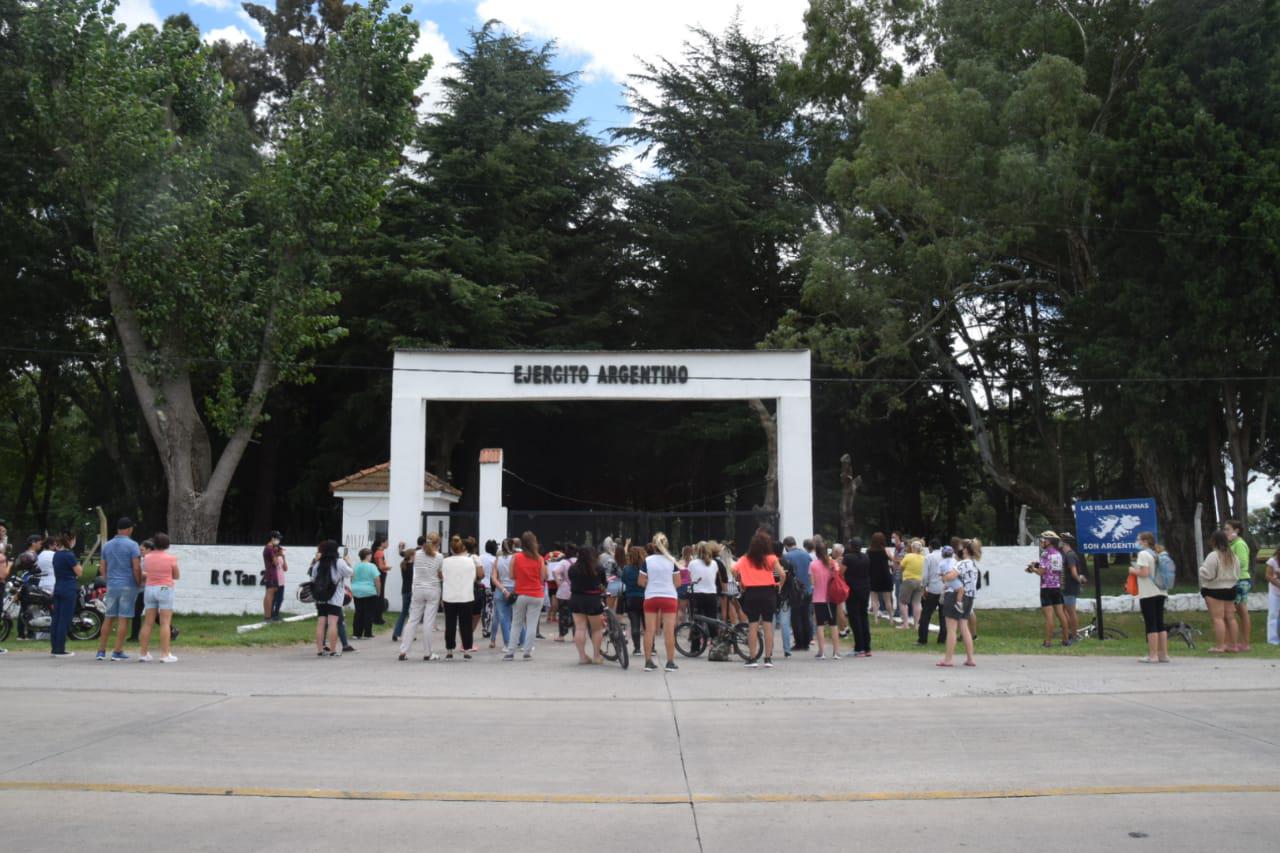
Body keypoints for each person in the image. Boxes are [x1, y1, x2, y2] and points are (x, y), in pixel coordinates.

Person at [96, 518, 142, 661]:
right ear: (129, 529)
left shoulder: (107, 545)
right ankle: (117, 651)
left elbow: (102, 567)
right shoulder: (133, 545)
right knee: (123, 618)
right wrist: (138, 582)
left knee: (108, 617)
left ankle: (101, 651)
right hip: (128, 584)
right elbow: (136, 567)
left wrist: (108, 580)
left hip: (112, 585)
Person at [734, 530, 782, 668]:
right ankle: (768, 659)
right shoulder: (772, 558)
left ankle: (753, 658)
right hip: (768, 593)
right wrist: (778, 586)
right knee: (768, 626)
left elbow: (733, 569)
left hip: (751, 594)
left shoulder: (744, 559)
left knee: (752, 626)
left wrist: (742, 582)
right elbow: (782, 574)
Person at [640, 533, 681, 672]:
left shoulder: (647, 560)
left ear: (653, 545)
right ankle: (670, 662)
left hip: (651, 597)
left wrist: (652, 586)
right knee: (669, 631)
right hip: (669, 597)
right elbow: (678, 582)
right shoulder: (672, 561)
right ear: (667, 545)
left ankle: (648, 662)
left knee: (649, 631)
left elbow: (640, 581)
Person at [137, 532, 181, 663]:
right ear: (167, 545)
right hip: (165, 589)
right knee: (165, 622)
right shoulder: (171, 558)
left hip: (150, 589)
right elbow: (176, 575)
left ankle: (143, 653)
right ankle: (165, 654)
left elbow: (145, 571)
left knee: (148, 622)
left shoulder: (147, 558)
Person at [398, 533, 442, 660]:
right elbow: (440, 574)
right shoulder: (439, 557)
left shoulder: (416, 554)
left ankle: (403, 651)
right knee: (428, 622)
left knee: (412, 620)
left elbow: (406, 557)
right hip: (433, 589)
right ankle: (428, 653)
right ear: (437, 544)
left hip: (418, 589)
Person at [505, 531, 547, 661]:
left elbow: (511, 576)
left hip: (521, 594)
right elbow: (543, 578)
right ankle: (527, 652)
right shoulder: (540, 559)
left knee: (516, 623)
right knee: (532, 624)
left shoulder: (516, 557)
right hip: (537, 595)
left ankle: (510, 652)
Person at [1199, 529, 1241, 653]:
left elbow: (1208, 573)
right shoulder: (1233, 556)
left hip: (1214, 589)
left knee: (1218, 618)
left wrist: (1201, 570)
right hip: (1230, 588)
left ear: (1213, 541)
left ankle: (1220, 646)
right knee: (1231, 618)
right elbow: (1238, 573)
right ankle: (1233, 645)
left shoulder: (1214, 555)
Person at [1130, 532, 1169, 663]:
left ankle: (1153, 655)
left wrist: (1133, 570)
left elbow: (1144, 572)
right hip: (1161, 591)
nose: (1137, 542)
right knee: (1160, 623)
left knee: (1150, 623)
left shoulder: (1143, 554)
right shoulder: (1157, 553)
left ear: (1145, 541)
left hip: (1148, 592)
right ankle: (1163, 654)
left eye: (1139, 539)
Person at [938, 539, 978, 668]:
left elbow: (950, 577)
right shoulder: (973, 564)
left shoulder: (962, 564)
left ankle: (948, 659)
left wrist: (943, 577)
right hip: (970, 597)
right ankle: (970, 658)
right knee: (964, 627)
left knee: (951, 629)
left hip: (956, 595)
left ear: (965, 550)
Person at [308, 539, 351, 658]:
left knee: (321, 623)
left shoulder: (318, 563)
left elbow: (313, 577)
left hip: (320, 597)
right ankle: (332, 650)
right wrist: (348, 563)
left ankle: (320, 650)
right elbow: (350, 573)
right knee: (333, 623)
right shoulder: (339, 562)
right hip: (335, 597)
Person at [441, 535, 481, 659]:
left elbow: (442, 576)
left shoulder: (445, 561)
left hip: (449, 596)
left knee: (450, 624)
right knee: (466, 624)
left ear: (452, 549)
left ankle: (449, 650)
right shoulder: (470, 561)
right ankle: (467, 650)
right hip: (466, 596)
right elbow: (475, 577)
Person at [1028, 531, 1070, 647]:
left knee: (1049, 616)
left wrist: (1032, 569)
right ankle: (1065, 640)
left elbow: (1042, 572)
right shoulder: (1058, 554)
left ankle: (1048, 642)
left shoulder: (1045, 554)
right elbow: (1053, 569)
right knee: (1061, 614)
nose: (1041, 542)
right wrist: (1038, 565)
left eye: (1043, 540)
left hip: (1046, 587)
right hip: (1056, 587)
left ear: (1049, 541)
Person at [569, 545, 606, 664]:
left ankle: (582, 656)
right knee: (596, 629)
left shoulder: (573, 568)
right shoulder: (598, 568)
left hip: (576, 598)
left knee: (580, 629)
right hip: (593, 599)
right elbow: (603, 583)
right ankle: (596, 656)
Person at [49, 532, 83, 658]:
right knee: (65, 619)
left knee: (56, 619)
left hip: (58, 587)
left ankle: (54, 647)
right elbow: (79, 572)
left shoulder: (56, 555)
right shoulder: (69, 555)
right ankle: (60, 649)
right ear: (70, 541)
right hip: (68, 588)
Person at [1223, 520, 1252, 652]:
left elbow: (1242, 562)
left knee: (1240, 611)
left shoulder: (1239, 544)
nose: (1225, 532)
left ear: (1236, 530)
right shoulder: (1231, 544)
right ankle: (1239, 641)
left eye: (1228, 529)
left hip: (1240, 580)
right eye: (1225, 529)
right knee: (1239, 610)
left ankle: (1244, 642)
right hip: (1234, 579)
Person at [809, 535, 840, 660]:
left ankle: (821, 652)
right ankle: (836, 652)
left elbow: (813, 583)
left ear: (816, 552)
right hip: (831, 597)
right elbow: (837, 577)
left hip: (818, 598)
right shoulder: (833, 563)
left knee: (820, 625)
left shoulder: (813, 565)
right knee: (833, 625)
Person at [782, 536, 812, 651]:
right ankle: (807, 642)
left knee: (796, 617)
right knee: (806, 616)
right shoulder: (806, 555)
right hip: (808, 590)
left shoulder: (787, 556)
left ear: (786, 546)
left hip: (795, 591)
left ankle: (799, 642)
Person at [842, 538, 871, 657]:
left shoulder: (848, 558)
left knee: (855, 618)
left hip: (852, 589)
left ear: (851, 546)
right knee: (864, 616)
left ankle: (859, 647)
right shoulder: (866, 557)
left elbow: (841, 573)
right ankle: (867, 647)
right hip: (865, 588)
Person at [12, 535, 43, 639]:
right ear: (33, 543)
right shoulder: (30, 556)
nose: (40, 544)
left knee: (26, 608)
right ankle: (25, 634)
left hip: (28, 583)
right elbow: (26, 571)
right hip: (29, 583)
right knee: (27, 608)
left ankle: (25, 633)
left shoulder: (27, 554)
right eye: (39, 542)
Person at [490, 538, 517, 652]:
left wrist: (503, 589)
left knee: (504, 619)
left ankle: (507, 644)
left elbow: (494, 578)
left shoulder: (498, 560)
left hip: (500, 591)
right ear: (513, 546)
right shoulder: (516, 559)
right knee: (517, 618)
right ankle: (521, 642)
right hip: (515, 590)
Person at [919, 540, 947, 646]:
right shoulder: (946, 556)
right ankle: (942, 639)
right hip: (944, 589)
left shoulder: (928, 557)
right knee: (943, 616)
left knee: (925, 615)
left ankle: (922, 639)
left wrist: (924, 587)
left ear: (930, 547)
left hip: (932, 589)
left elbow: (925, 576)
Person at [687, 541, 720, 628]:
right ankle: (713, 639)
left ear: (697, 551)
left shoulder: (692, 563)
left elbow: (688, 578)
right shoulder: (714, 563)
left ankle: (697, 640)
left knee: (696, 620)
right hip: (711, 594)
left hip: (696, 594)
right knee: (712, 619)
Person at [350, 548, 381, 639]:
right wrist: (378, 591)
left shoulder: (355, 566)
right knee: (368, 612)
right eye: (370, 555)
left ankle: (356, 633)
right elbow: (377, 580)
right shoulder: (372, 566)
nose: (371, 556)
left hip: (356, 591)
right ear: (367, 556)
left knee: (358, 612)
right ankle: (367, 633)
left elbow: (352, 579)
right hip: (369, 591)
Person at [621, 545, 646, 655]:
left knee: (634, 624)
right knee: (647, 625)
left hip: (631, 598)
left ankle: (637, 649)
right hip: (645, 597)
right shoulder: (645, 568)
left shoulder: (626, 568)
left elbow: (623, 580)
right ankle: (652, 648)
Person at [392, 539, 418, 642]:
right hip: (413, 590)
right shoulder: (414, 566)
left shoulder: (403, 564)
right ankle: (410, 634)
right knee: (413, 614)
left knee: (404, 612)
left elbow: (403, 555)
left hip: (405, 590)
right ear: (412, 556)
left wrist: (400, 549)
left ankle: (396, 633)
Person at [1060, 535, 1084, 641]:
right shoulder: (1067, 555)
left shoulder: (1070, 555)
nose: (1059, 543)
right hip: (1066, 587)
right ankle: (1070, 632)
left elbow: (1074, 573)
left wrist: (1080, 582)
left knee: (1071, 612)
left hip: (1070, 587)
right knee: (1064, 610)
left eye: (1061, 541)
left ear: (1066, 543)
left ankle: (1074, 635)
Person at [898, 539, 925, 630]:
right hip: (920, 582)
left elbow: (901, 567)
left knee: (903, 602)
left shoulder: (908, 556)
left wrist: (901, 574)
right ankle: (916, 624)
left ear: (912, 548)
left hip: (908, 580)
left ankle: (905, 624)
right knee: (917, 603)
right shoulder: (923, 558)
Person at [867, 533, 894, 623]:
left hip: (873, 577)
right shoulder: (886, 550)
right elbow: (892, 560)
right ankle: (891, 619)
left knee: (874, 599)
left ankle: (875, 619)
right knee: (887, 600)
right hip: (885, 576)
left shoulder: (869, 551)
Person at [551, 545, 575, 642]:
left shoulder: (564, 562)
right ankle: (575, 636)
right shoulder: (579, 562)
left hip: (564, 590)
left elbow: (555, 571)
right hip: (577, 591)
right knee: (576, 614)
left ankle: (561, 635)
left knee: (563, 614)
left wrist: (559, 581)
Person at [261, 531, 286, 622]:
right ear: (272, 538)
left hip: (271, 574)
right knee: (269, 595)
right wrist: (278, 554)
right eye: (278, 538)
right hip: (271, 574)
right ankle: (267, 617)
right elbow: (275, 562)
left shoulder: (270, 548)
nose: (279, 540)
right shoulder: (269, 548)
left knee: (270, 595)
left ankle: (268, 616)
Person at [372, 538, 390, 624]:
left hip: (380, 575)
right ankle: (378, 619)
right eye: (386, 542)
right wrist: (388, 567)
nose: (388, 544)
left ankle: (376, 617)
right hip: (381, 575)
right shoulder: (380, 552)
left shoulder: (377, 552)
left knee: (378, 596)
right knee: (380, 596)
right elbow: (380, 566)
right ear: (382, 543)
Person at [1265, 549, 1279, 647]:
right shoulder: (1272, 561)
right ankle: (1272, 640)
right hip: (1275, 592)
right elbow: (1268, 576)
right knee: (1273, 615)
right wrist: (1278, 584)